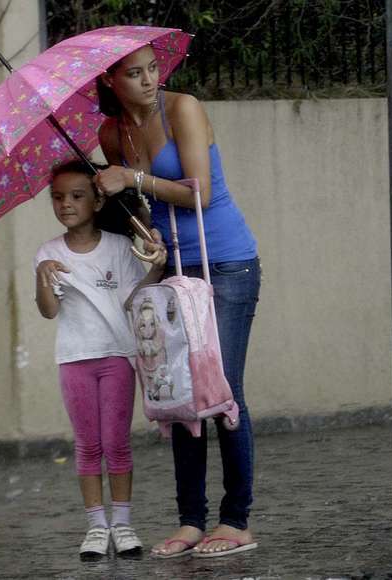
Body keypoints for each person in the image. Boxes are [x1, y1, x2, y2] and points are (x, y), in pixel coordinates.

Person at [93, 43, 261, 559]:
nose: (149, 80)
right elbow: (142, 207)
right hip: (174, 269)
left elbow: (198, 193)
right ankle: (191, 520)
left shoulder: (182, 108)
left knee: (221, 388)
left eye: (152, 69)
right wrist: (140, 227)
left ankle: (236, 520)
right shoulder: (110, 134)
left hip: (227, 262)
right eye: (134, 73)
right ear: (111, 81)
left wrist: (132, 177)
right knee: (180, 392)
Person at [34, 160, 167, 560]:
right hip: (75, 360)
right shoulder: (48, 253)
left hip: (118, 358)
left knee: (116, 442)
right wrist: (42, 276)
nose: (66, 204)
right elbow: (48, 311)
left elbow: (132, 300)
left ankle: (123, 523)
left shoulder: (117, 247)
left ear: (97, 201)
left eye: (77, 196)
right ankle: (96, 526)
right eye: (58, 197)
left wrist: (156, 270)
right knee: (88, 445)